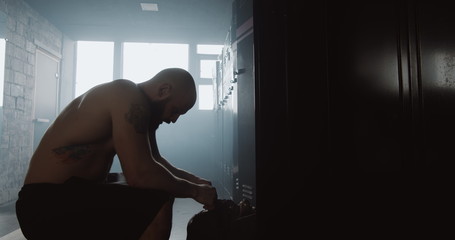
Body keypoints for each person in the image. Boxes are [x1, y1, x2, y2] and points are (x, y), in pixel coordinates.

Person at [15, 68, 218, 240]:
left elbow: (155, 163)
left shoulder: (142, 111)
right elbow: (141, 175)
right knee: (157, 198)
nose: (173, 119)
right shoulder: (127, 94)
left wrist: (197, 181)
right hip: (43, 204)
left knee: (155, 184)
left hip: (69, 195)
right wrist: (196, 191)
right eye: (175, 111)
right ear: (164, 90)